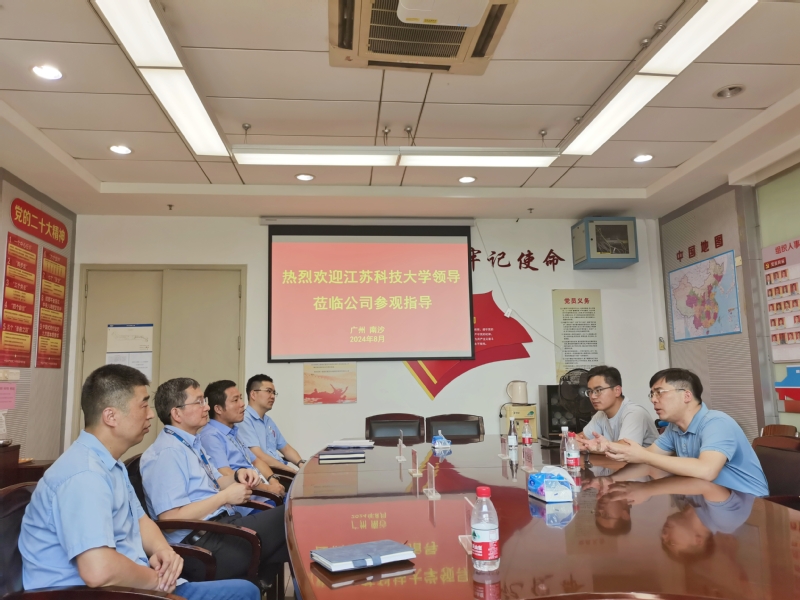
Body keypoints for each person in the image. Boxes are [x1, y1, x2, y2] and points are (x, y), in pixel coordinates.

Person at [18, 364, 258, 600]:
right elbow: (98, 571)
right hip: (102, 593)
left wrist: (164, 551)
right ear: (111, 416)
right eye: (143, 405)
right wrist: (157, 584)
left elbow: (141, 519)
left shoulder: (110, 464)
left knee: (246, 591)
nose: (151, 414)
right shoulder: (83, 475)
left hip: (135, 586)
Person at [140, 377, 290, 581]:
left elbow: (217, 481)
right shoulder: (167, 452)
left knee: (291, 534)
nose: (207, 407)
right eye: (199, 402)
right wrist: (224, 497)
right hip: (203, 545)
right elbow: (170, 519)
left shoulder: (190, 443)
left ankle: (259, 582)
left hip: (222, 527)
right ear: (176, 413)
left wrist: (237, 476)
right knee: (292, 517)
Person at [596, 368, 769, 496]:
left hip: (748, 503)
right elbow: (647, 457)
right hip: (709, 497)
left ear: (686, 396)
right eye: (652, 394)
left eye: (659, 393)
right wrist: (606, 451)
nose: (653, 400)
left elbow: (707, 470)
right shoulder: (675, 427)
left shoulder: (717, 423)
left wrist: (646, 481)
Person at [198, 379, 285, 497]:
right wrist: (269, 489)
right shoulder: (210, 437)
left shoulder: (233, 431)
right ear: (218, 409)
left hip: (265, 493)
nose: (242, 404)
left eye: (240, 398)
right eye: (235, 400)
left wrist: (273, 481)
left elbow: (256, 461)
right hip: (249, 500)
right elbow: (228, 475)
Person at [576, 365, 659, 452]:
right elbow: (581, 439)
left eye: (598, 390)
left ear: (617, 391)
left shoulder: (634, 413)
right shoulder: (601, 414)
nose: (593, 396)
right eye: (590, 391)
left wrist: (592, 447)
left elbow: (625, 448)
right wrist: (575, 441)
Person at [238, 374, 305, 471]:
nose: (273, 396)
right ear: (253, 394)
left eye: (274, 393)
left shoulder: (268, 421)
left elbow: (286, 448)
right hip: (267, 473)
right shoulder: (244, 420)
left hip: (280, 470)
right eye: (268, 391)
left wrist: (301, 464)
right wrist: (290, 470)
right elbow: (258, 456)